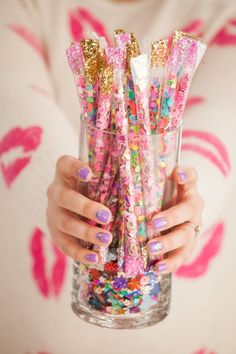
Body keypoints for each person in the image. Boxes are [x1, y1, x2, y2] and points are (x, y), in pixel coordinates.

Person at [1, 0, 235, 353]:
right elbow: (11, 98)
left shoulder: (223, 9)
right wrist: (62, 193)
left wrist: (185, 205)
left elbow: (220, 122)